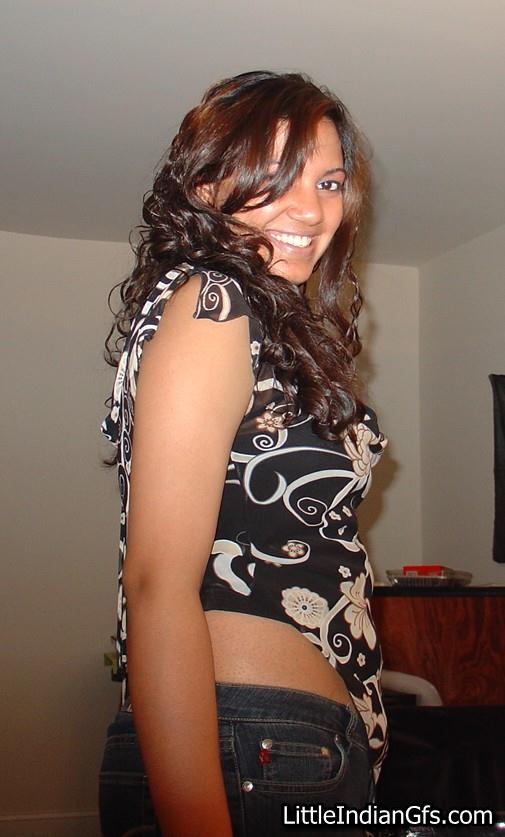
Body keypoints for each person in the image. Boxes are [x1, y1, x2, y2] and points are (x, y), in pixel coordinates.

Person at [99, 70, 388, 837]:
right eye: (277, 176)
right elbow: (157, 581)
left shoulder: (249, 315)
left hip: (274, 743)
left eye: (328, 181)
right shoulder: (213, 302)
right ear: (204, 186)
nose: (311, 209)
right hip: (258, 743)